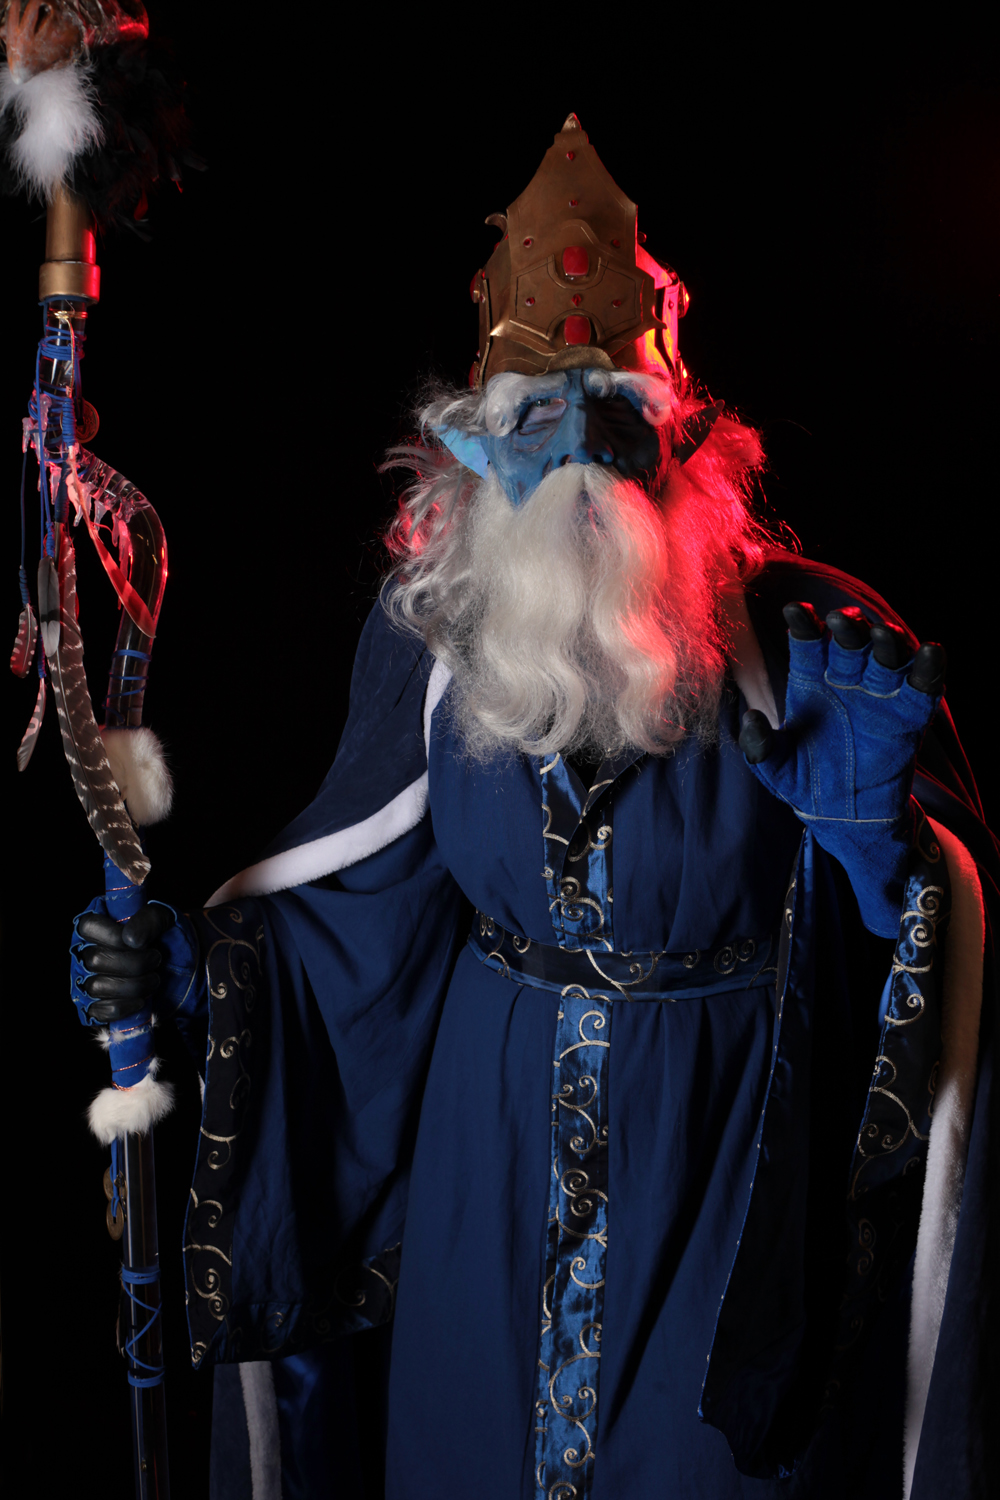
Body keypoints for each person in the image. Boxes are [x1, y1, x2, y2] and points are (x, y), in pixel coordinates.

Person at [71, 115, 997, 1499]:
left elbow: (927, 983)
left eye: (614, 416)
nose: (576, 454)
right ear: (471, 448)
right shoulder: (435, 644)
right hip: (484, 1175)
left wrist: (884, 860)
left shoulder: (820, 643)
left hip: (725, 1169)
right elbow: (363, 930)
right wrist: (198, 982)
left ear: (681, 441)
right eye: (533, 419)